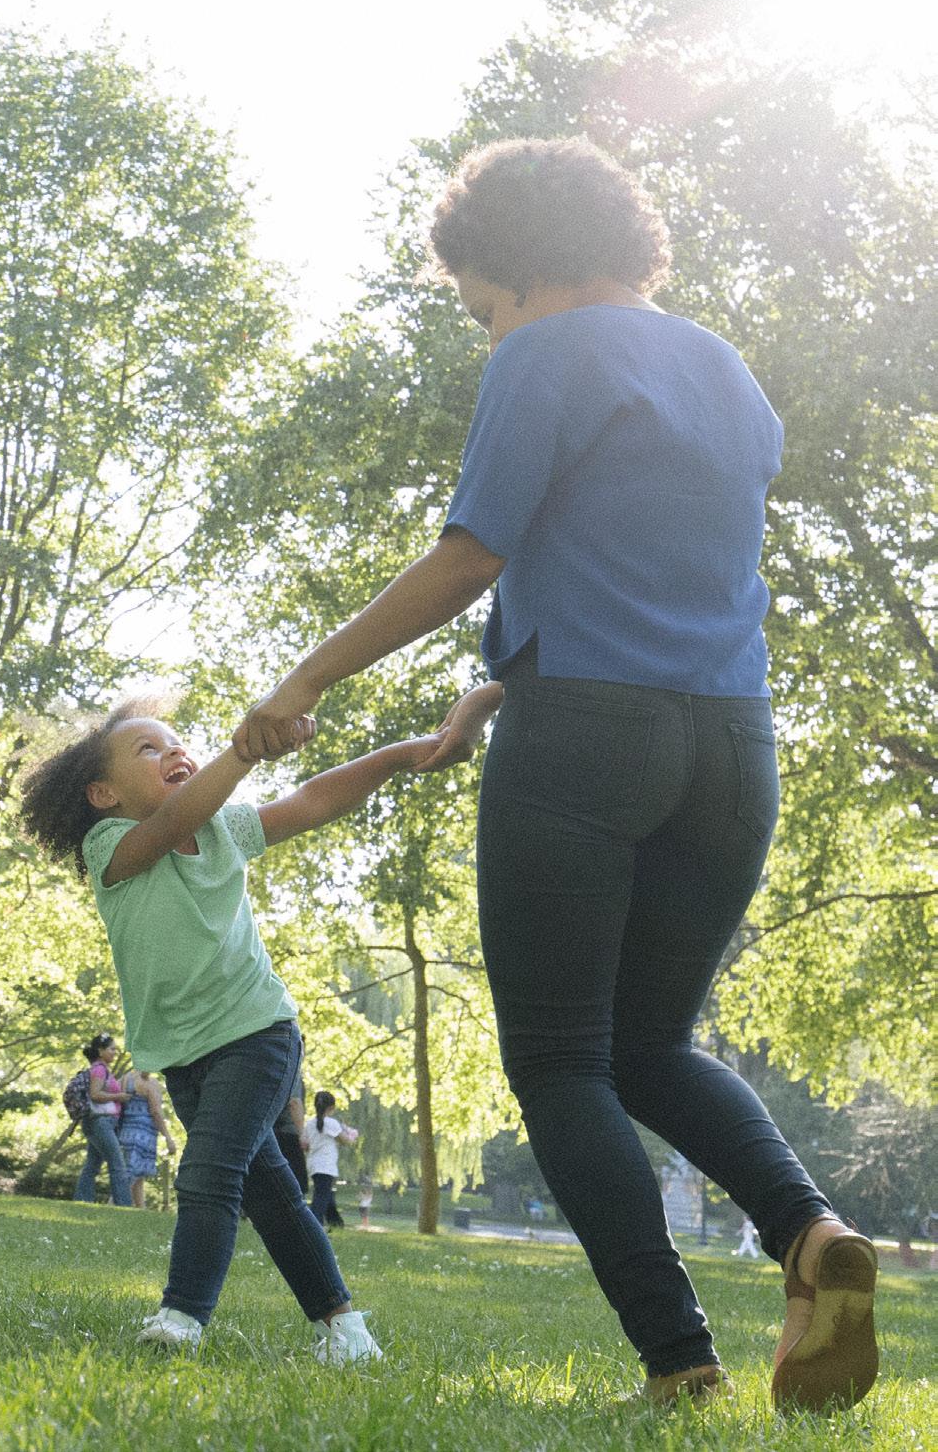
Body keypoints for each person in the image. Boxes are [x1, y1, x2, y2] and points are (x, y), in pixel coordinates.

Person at [234, 137, 879, 1412]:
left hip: (586, 743)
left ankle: (679, 1362)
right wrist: (495, 684)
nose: (487, 337)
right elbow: (646, 564)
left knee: (561, 1057)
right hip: (734, 745)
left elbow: (476, 553)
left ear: (517, 267)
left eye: (481, 308)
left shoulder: (547, 353)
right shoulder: (728, 371)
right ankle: (810, 1235)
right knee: (654, 1045)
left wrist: (303, 680)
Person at [22, 698, 442, 1360]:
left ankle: (181, 1318)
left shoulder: (222, 827)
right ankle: (347, 1333)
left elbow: (309, 801)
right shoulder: (108, 845)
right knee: (271, 1194)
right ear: (103, 793)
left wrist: (401, 753)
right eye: (149, 750)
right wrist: (242, 753)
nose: (175, 752)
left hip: (256, 1031)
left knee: (209, 1170)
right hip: (185, 1056)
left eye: (176, 742)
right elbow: (171, 820)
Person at [72, 1032, 134, 1207]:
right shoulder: (99, 1069)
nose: (115, 1052)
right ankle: (124, 1206)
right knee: (118, 1164)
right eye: (112, 1049)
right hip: (100, 1122)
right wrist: (119, 1096)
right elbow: (95, 1094)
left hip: (100, 1123)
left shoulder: (104, 1069)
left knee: (92, 1166)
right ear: (100, 1051)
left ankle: (82, 1201)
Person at [118, 1070, 177, 1208]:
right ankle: (116, 1203)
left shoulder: (126, 1078)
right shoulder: (150, 1083)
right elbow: (156, 1111)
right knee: (132, 1173)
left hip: (126, 1130)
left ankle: (141, 1209)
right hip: (143, 1132)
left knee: (137, 1174)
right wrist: (168, 1137)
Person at [304, 1091, 358, 1228]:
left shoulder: (309, 1124)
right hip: (326, 1165)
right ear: (331, 1107)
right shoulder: (331, 1123)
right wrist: (351, 1135)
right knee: (321, 1197)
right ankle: (314, 1224)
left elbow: (305, 1144)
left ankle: (336, 1223)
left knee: (326, 1194)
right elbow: (344, 1140)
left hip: (313, 1164)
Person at [273, 1062, 309, 1197]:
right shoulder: (293, 1071)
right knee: (297, 1185)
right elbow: (294, 1103)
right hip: (287, 1133)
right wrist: (302, 1134)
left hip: (271, 1131)